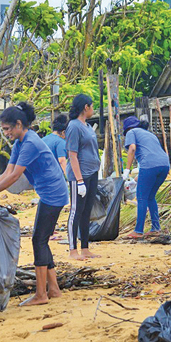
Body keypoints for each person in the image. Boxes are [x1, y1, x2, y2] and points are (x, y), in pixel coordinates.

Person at [0, 102, 69, 306]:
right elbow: (7, 172)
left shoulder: (30, 143)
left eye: (8, 129)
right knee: (42, 239)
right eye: (3, 130)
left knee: (38, 240)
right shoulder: (20, 143)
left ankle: (41, 294)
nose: (6, 133)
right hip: (48, 192)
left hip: (53, 193)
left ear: (19, 124)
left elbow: (14, 177)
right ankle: (53, 289)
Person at [121, 116, 170, 239]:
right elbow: (151, 162)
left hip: (150, 166)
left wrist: (127, 170)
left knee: (142, 197)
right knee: (150, 197)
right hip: (165, 165)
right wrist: (134, 181)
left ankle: (138, 230)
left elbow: (132, 148)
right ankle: (155, 228)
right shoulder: (149, 134)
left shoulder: (131, 132)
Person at [65, 94, 101, 260]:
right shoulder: (73, 126)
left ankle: (85, 247)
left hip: (92, 173)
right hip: (80, 175)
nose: (93, 109)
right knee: (76, 211)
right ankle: (73, 250)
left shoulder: (86, 126)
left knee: (86, 211)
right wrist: (79, 181)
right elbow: (72, 155)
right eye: (92, 106)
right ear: (86, 107)